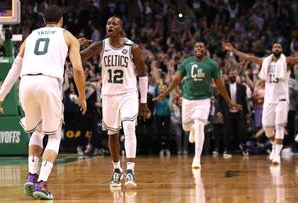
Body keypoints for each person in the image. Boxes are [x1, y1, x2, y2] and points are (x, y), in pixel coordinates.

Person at [0, 5, 87, 200]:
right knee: (55, 136)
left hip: (26, 84)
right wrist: (81, 96)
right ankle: (42, 183)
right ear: (62, 21)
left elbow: (14, 69)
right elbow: (78, 69)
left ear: (43, 21)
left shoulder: (30, 36)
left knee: (37, 132)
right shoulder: (68, 37)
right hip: (48, 83)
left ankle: (31, 176)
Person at [80, 16, 150, 188]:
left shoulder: (132, 47)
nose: (110, 25)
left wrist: (143, 101)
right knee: (112, 134)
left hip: (128, 93)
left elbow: (142, 73)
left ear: (120, 28)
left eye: (114, 23)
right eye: (108, 23)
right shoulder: (100, 45)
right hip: (109, 95)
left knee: (128, 127)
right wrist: (75, 44)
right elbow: (78, 58)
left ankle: (131, 171)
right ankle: (117, 169)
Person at [153, 41, 242, 169]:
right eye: (196, 46)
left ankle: (196, 158)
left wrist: (229, 102)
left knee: (200, 123)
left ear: (205, 49)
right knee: (186, 127)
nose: (199, 48)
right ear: (194, 49)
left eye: (201, 46)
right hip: (188, 99)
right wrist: (165, 93)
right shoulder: (186, 62)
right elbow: (177, 79)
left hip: (204, 100)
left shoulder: (212, 64)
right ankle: (192, 129)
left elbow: (220, 84)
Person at [222, 42, 298, 164]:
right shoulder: (265, 61)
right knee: (267, 128)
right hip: (269, 98)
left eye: (279, 47)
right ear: (272, 49)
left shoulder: (287, 61)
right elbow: (248, 57)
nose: (277, 48)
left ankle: (277, 154)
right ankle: (274, 145)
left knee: (279, 125)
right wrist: (234, 50)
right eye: (275, 47)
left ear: (282, 49)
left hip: (282, 98)